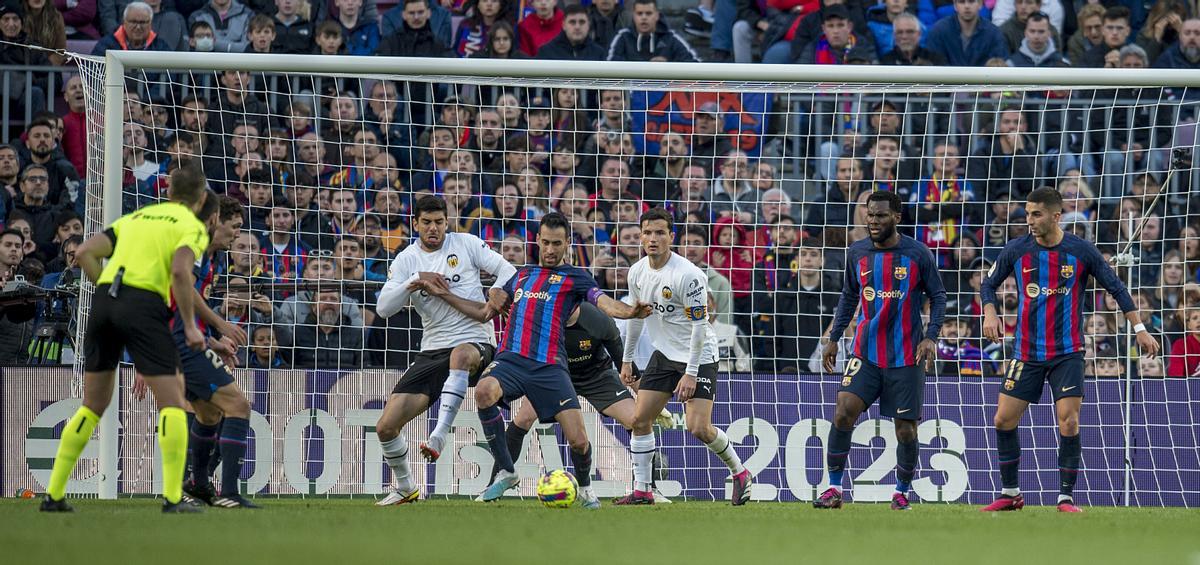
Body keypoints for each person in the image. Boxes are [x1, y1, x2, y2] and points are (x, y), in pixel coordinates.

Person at [40, 166, 210, 513]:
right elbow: (180, 271)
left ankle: (54, 495)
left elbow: (85, 252)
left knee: (93, 404)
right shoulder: (191, 226)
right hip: (144, 305)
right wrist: (190, 326)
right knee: (173, 401)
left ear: (168, 191)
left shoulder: (136, 217)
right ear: (201, 199)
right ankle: (174, 498)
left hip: (103, 303)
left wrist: (107, 287)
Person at [979, 187, 1159, 512]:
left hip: (1067, 352)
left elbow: (1116, 288)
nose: (1030, 221)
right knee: (1003, 420)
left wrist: (1140, 330)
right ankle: (1011, 494)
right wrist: (990, 312)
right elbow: (987, 284)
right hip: (1026, 352)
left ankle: (1065, 497)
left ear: (1056, 216)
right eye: (1028, 214)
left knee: (1069, 421)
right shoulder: (1016, 250)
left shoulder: (1081, 251)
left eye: (1036, 214)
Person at [471, 212, 651, 508]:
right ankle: (506, 472)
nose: (551, 250)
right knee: (483, 392)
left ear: (568, 243)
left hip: (550, 368)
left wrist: (630, 311)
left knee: (579, 441)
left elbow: (603, 303)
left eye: (557, 243)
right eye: (545, 243)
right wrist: (492, 294)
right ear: (537, 241)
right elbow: (493, 303)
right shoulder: (522, 274)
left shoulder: (577, 278)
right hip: (512, 359)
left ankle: (586, 488)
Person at [371, 195, 516, 505]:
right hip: (432, 350)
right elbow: (383, 309)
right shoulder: (407, 260)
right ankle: (407, 487)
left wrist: (496, 290)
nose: (433, 228)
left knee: (461, 355)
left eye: (439, 222)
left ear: (447, 222)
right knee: (385, 427)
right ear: (415, 224)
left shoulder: (466, 244)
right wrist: (414, 281)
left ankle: (439, 434)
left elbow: (508, 271)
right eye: (426, 222)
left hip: (476, 341)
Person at [817, 190, 947, 511]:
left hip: (906, 356)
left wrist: (930, 336)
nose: (873, 221)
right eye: (869, 214)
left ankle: (901, 492)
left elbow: (939, 296)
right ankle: (833, 489)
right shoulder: (857, 253)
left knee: (905, 430)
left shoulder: (918, 255)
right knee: (843, 411)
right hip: (866, 352)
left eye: (880, 215)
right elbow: (849, 296)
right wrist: (834, 338)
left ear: (897, 218)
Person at [616, 207, 753, 506]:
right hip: (664, 355)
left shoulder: (689, 276)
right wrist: (628, 360)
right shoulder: (637, 272)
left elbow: (700, 327)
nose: (653, 239)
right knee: (639, 420)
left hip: (699, 354)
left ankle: (740, 473)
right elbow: (636, 318)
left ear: (671, 236)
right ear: (640, 237)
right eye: (648, 233)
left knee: (698, 428)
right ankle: (642, 490)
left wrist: (691, 373)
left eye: (660, 233)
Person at [169, 195, 257, 508]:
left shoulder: (213, 256)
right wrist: (220, 325)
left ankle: (198, 483)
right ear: (214, 220)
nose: (237, 234)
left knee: (209, 413)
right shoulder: (193, 247)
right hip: (180, 341)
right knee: (238, 405)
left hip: (189, 339)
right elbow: (185, 293)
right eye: (233, 227)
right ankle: (229, 492)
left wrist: (213, 342)